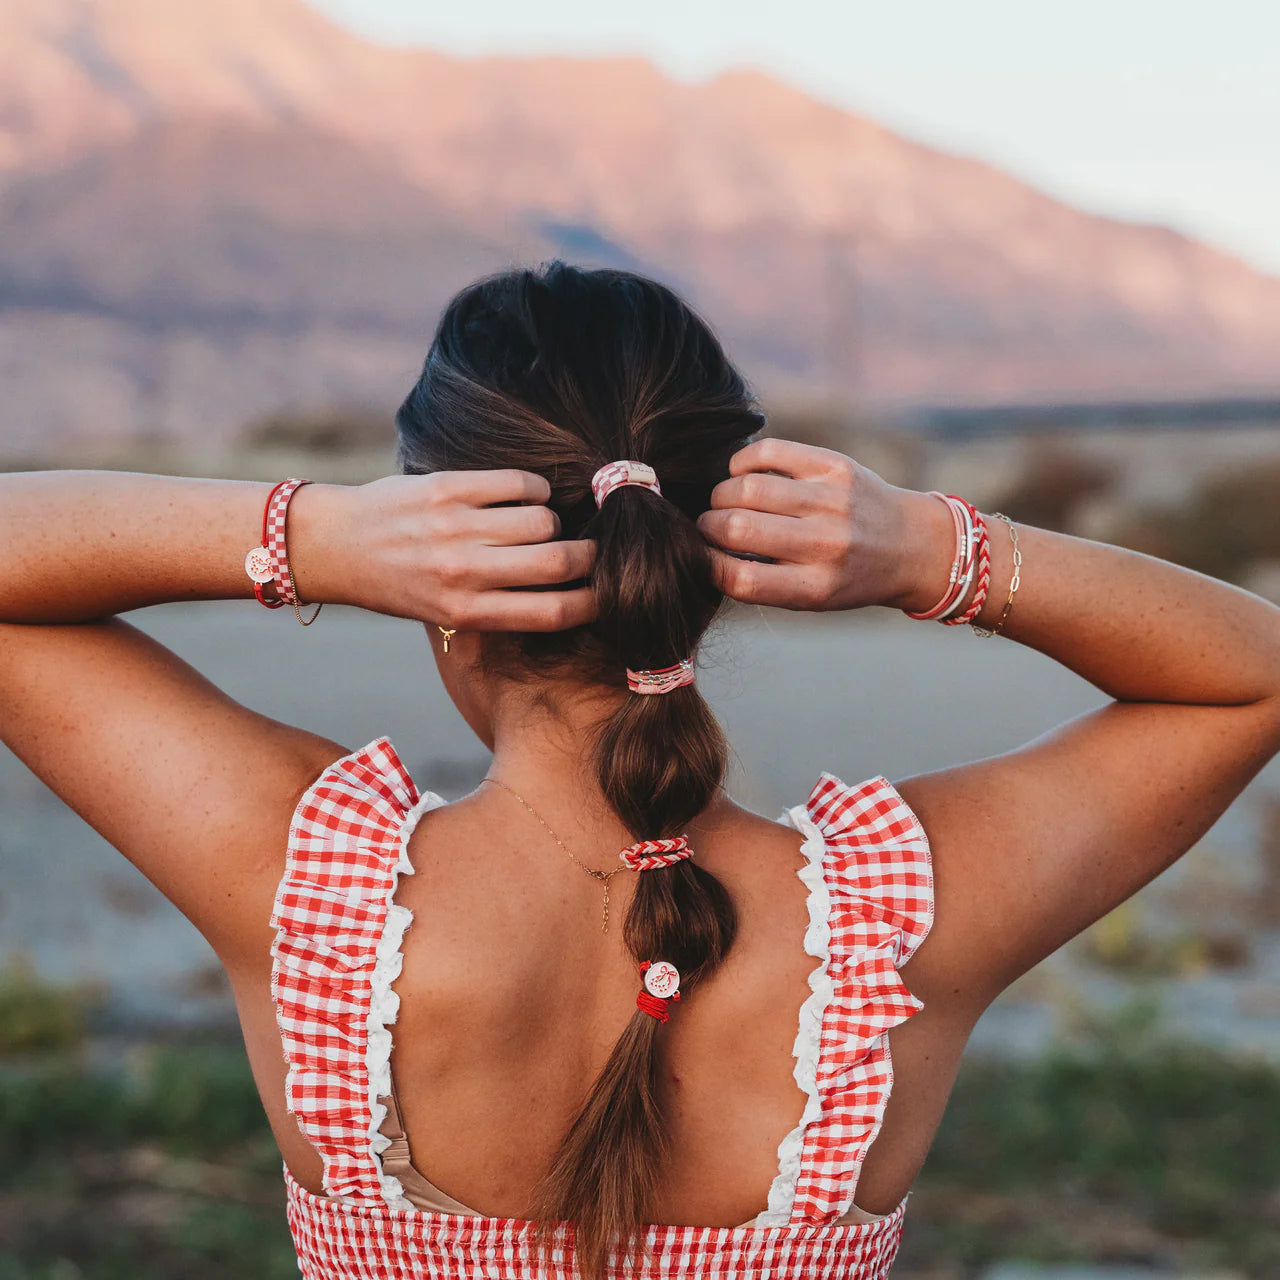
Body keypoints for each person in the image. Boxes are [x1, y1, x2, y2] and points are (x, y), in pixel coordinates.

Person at [2, 262, 1278, 1280]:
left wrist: (307, 535)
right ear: (698, 575)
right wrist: (931, 550)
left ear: (437, 589)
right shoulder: (894, 918)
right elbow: (1250, 672)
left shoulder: (307, 884)